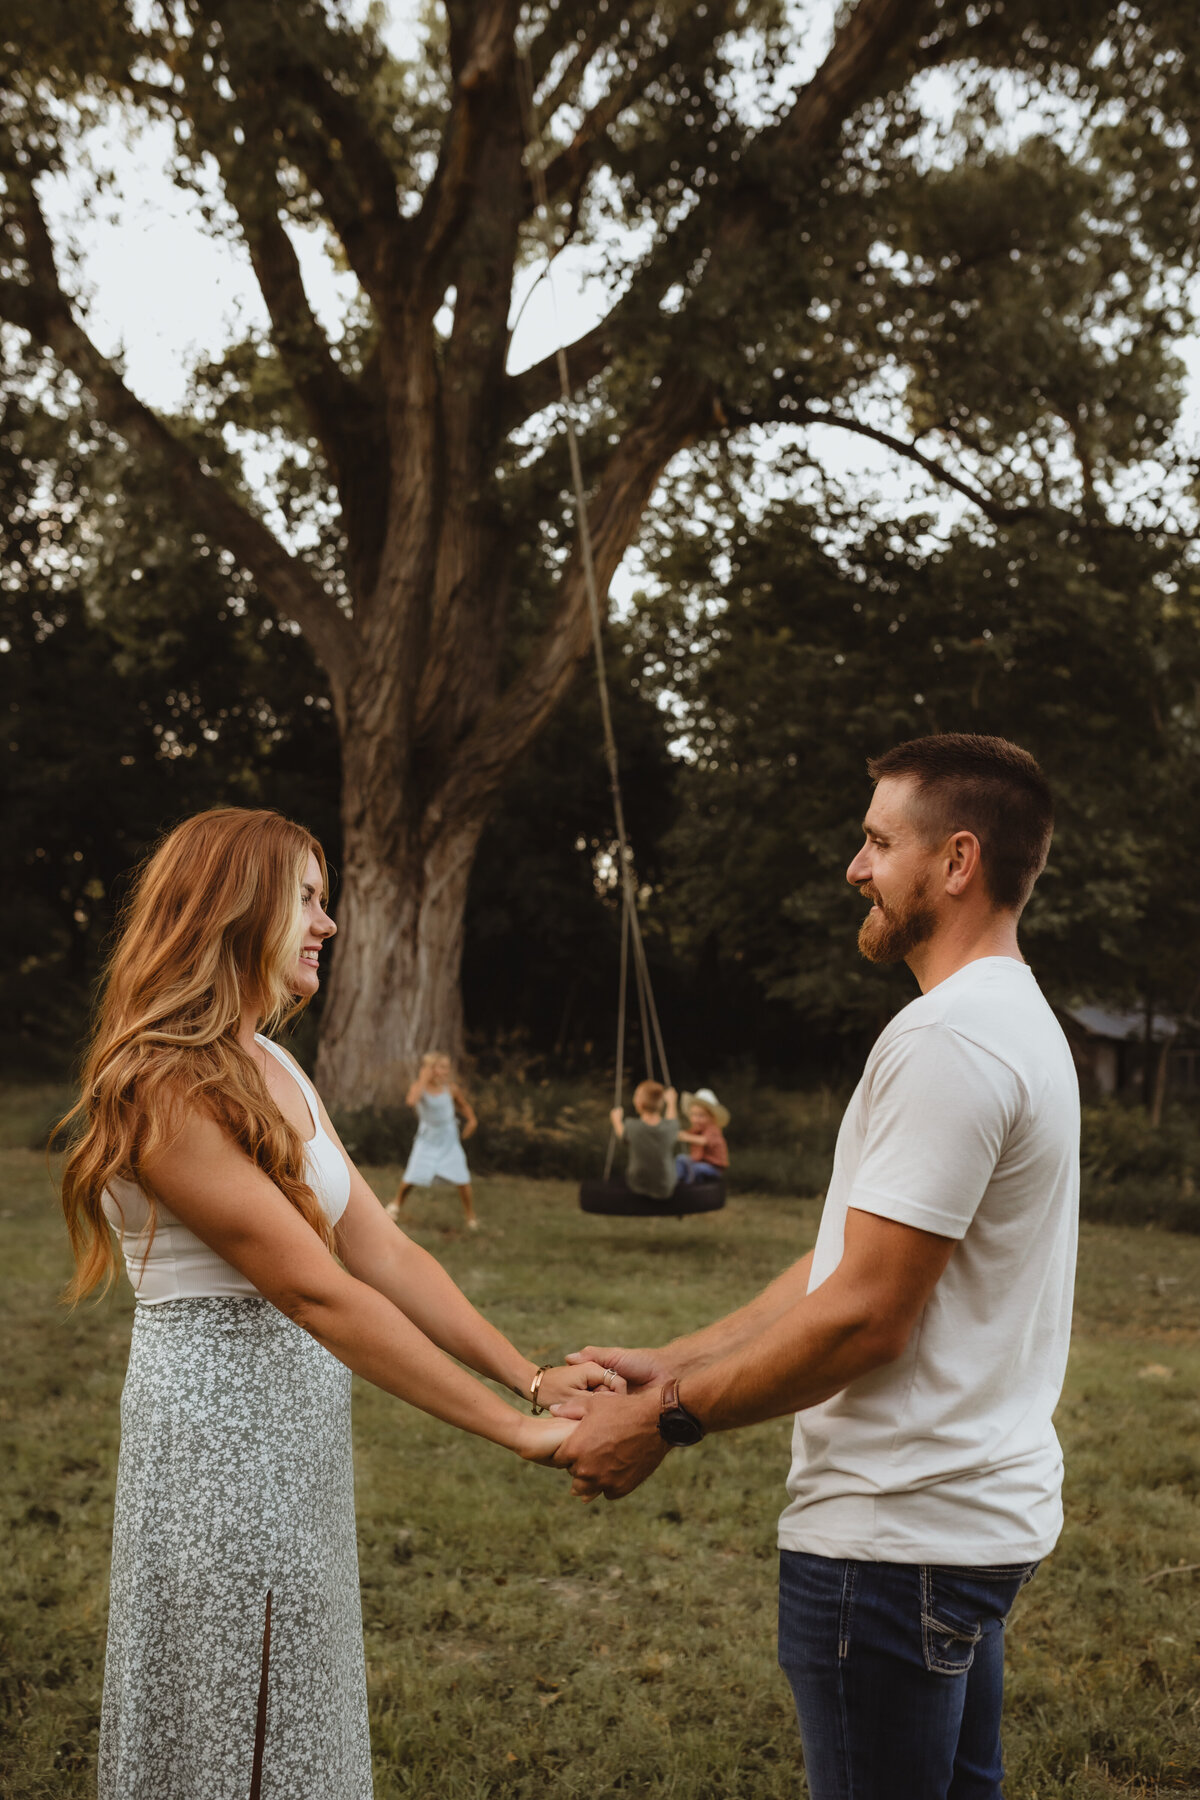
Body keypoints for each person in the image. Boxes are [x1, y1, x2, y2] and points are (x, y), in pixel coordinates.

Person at [554, 734, 1079, 1800]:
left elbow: (865, 1318)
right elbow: (844, 1265)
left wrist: (665, 1420)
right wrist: (674, 1360)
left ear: (957, 862)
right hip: (966, 1526)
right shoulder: (1017, 1021)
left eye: (880, 841)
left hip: (895, 1546)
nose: (856, 866)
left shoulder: (951, 1040)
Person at [58, 808, 618, 1800]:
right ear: (238, 905)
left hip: (296, 1430)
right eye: (307, 899)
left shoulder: (274, 1063)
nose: (328, 923)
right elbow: (316, 1290)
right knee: (238, 1701)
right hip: (216, 1435)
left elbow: (382, 1248)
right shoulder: (158, 1083)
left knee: (286, 1691)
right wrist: (513, 1434)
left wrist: (529, 1376)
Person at [388, 1052, 479, 1229]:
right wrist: (423, 1079)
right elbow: (411, 1101)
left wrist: (472, 1120)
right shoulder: (420, 1088)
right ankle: (396, 1204)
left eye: (447, 1067)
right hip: (427, 1138)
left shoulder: (450, 1089)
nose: (446, 1071)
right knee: (412, 1174)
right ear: (431, 1069)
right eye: (442, 1067)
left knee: (462, 1177)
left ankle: (470, 1216)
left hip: (448, 1139)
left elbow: (463, 1105)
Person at [610, 1080, 679, 1200]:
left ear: (639, 1104)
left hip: (637, 1185)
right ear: (661, 1103)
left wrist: (616, 1121)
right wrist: (672, 1103)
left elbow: (622, 1135)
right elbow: (671, 1120)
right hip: (665, 1187)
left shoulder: (631, 1126)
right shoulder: (670, 1128)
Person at [675, 1087, 729, 1184]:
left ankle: (689, 1188)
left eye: (701, 1116)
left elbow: (704, 1140)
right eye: (693, 1115)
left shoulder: (713, 1129)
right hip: (698, 1163)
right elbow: (686, 1134)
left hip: (713, 1167)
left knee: (694, 1169)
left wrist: (686, 1137)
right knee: (681, 1158)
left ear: (712, 1118)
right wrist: (678, 1134)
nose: (696, 1119)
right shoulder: (696, 1130)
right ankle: (677, 1182)